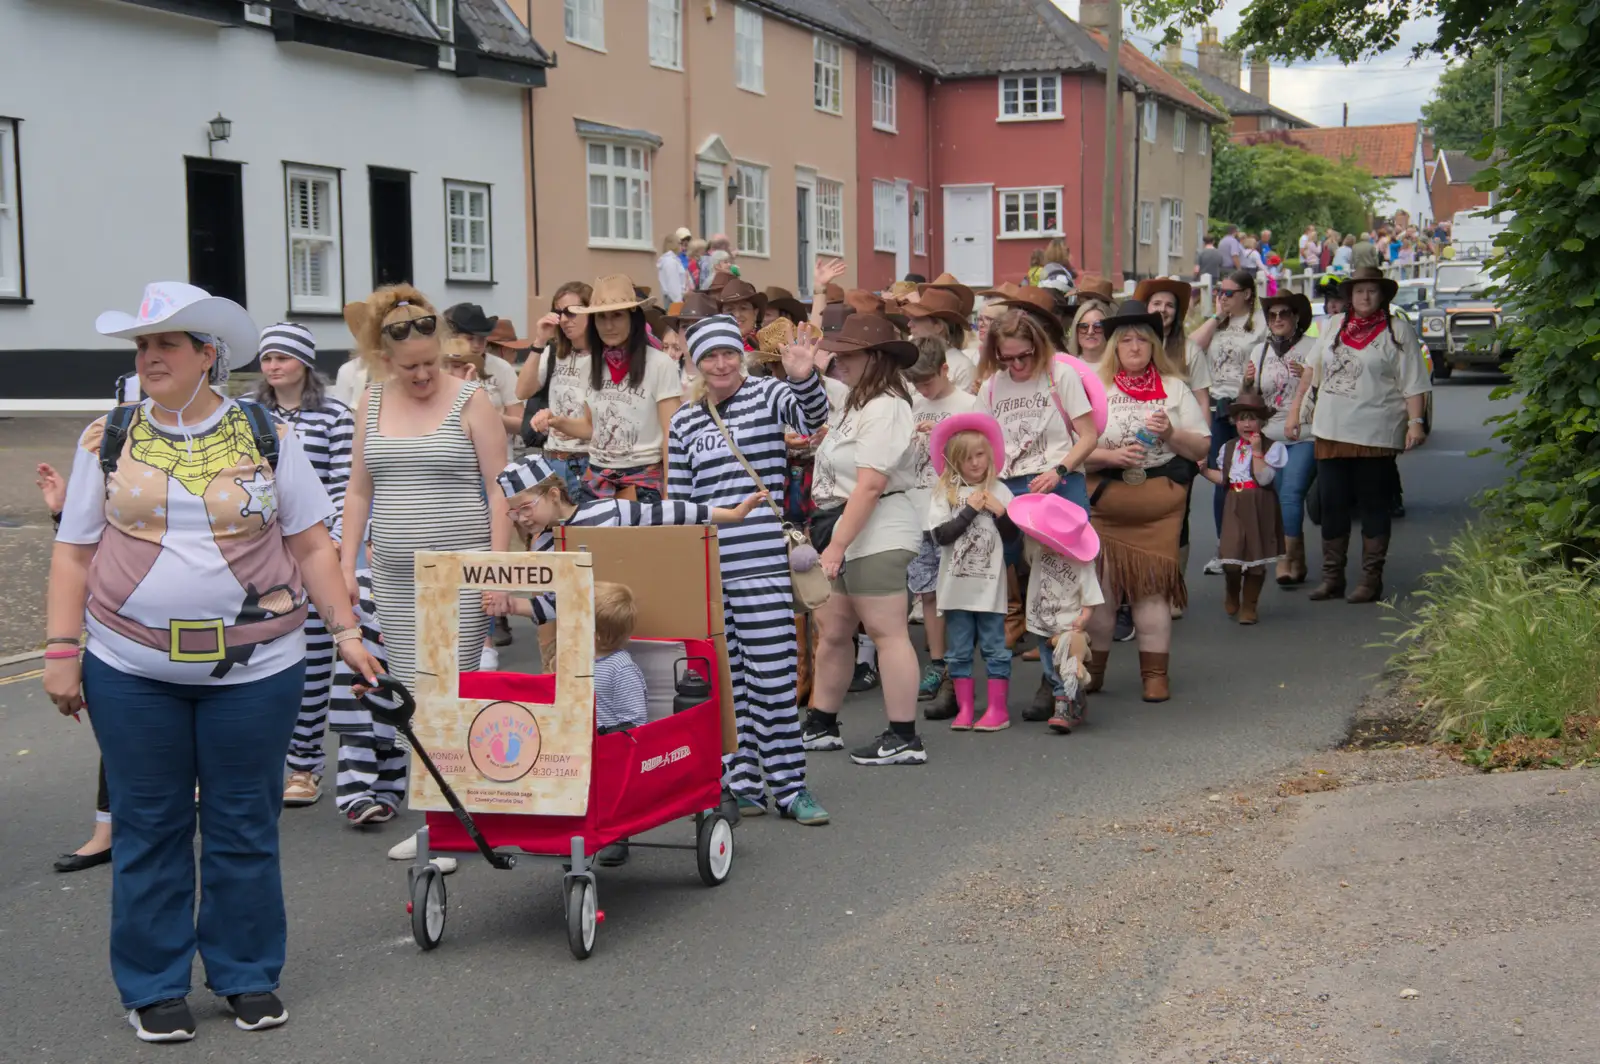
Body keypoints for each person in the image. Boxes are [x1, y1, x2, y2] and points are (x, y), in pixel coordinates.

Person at [45, 281, 378, 1041]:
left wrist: (348, 631)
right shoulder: (110, 434)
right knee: (149, 823)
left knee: (243, 823)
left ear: (207, 356)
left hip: (258, 671)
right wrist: (62, 651)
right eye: (142, 346)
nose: (150, 357)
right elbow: (73, 552)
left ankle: (246, 972)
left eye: (167, 344)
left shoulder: (268, 434)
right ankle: (154, 983)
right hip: (130, 668)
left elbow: (310, 545)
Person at [665, 314, 832, 823]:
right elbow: (679, 501)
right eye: (710, 355)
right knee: (724, 682)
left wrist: (803, 376)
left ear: (741, 354)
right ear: (695, 361)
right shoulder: (684, 421)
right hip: (712, 568)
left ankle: (790, 787)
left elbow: (809, 418)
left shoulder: (767, 394)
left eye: (729, 353)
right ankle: (738, 781)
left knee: (774, 679)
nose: (721, 364)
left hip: (762, 563)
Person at [340, 284, 511, 705]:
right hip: (395, 577)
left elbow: (501, 489)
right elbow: (359, 490)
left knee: (452, 694)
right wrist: (346, 565)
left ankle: (451, 772)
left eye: (430, 363)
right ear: (384, 361)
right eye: (409, 366)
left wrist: (499, 570)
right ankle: (417, 773)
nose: (422, 375)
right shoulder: (371, 400)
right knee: (411, 695)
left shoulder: (473, 400)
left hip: (462, 573)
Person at [798, 314, 924, 766]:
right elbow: (812, 383)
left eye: (848, 354)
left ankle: (904, 735)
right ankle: (822, 722)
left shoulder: (887, 406)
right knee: (833, 631)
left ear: (874, 358)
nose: (839, 360)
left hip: (878, 527)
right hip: (846, 524)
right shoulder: (857, 400)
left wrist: (834, 549)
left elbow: (871, 485)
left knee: (886, 633)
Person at [1082, 301, 1210, 702]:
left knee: (1152, 593)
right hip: (1105, 503)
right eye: (1126, 340)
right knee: (1100, 597)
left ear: (1154, 345)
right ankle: (1093, 674)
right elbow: (1071, 451)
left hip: (1158, 505)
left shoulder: (1174, 389)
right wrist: (1109, 457)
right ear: (1114, 347)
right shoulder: (1094, 388)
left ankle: (1155, 677)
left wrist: (1171, 432)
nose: (1134, 347)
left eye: (1142, 339)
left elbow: (1201, 446)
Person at [250, 322, 356, 808]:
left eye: (283, 358)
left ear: (304, 363)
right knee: (251, 662)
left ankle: (304, 765)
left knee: (313, 664)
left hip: (312, 554)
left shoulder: (335, 414)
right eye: (267, 357)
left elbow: (344, 486)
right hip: (259, 560)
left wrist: (333, 546)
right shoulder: (247, 416)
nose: (273, 366)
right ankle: (254, 763)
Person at [1287, 267, 1431, 603]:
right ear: (1349, 296)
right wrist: (1296, 411)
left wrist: (1416, 422)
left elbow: (1414, 382)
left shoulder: (1397, 331)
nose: (1365, 297)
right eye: (1359, 291)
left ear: (1382, 296)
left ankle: (1370, 580)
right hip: (1330, 428)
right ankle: (1332, 577)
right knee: (1331, 504)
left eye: (1372, 291)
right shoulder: (1334, 325)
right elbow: (1312, 371)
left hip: (1376, 432)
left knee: (1373, 505)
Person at [37, 462, 116, 873]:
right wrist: (62, 511)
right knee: (120, 736)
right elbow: (85, 546)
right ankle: (108, 832)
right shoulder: (114, 444)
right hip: (119, 630)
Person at [925, 412, 1017, 732]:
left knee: (995, 647)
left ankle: (997, 709)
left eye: (980, 455)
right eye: (967, 458)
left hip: (989, 590)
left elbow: (1013, 538)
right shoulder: (944, 494)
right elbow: (941, 536)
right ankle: (965, 709)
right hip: (955, 591)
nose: (975, 463)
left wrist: (1001, 513)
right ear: (954, 462)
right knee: (959, 650)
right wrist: (970, 510)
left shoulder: (1000, 490)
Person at [904, 337, 978, 719]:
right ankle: (937, 662)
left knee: (959, 587)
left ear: (946, 370)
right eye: (916, 384)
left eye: (928, 382)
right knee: (927, 591)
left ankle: (960, 662)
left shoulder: (967, 404)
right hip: (918, 510)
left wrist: (947, 439)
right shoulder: (911, 405)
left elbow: (984, 456)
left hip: (955, 509)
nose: (922, 390)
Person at [572, 275, 683, 503]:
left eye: (617, 315)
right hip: (596, 479)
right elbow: (590, 427)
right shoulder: (587, 367)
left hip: (644, 481)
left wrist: (671, 493)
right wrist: (554, 421)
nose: (609, 325)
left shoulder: (660, 364)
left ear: (634, 319)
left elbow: (670, 434)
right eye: (601, 317)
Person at [1187, 270, 1266, 574]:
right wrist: (1216, 316)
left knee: (1249, 480)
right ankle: (1225, 547)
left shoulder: (1260, 323)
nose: (1222, 297)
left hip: (1246, 406)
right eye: (1219, 292)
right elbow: (1190, 350)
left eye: (1229, 293)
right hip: (1220, 408)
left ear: (1247, 293)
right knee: (1224, 479)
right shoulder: (1217, 322)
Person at [1009, 493, 1103, 732]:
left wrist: (1083, 618)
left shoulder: (1082, 564)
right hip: (1042, 623)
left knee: (1066, 666)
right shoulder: (1039, 553)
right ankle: (1074, 698)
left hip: (1068, 626)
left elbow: (1091, 597)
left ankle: (1065, 705)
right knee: (1050, 668)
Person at [1200, 386, 1287, 624]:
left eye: (1253, 419)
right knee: (1230, 559)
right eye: (1242, 420)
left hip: (1260, 504)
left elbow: (1264, 479)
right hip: (1234, 503)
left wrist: (1257, 452)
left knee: (1256, 562)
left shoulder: (1273, 448)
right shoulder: (1228, 447)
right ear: (1234, 422)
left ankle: (1249, 605)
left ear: (1262, 422)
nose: (1247, 425)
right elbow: (1223, 479)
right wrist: (1205, 471)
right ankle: (1231, 589)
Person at [1248, 292, 1317, 584]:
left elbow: (1332, 388)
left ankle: (1286, 559)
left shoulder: (1313, 348)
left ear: (1297, 317)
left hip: (1305, 432)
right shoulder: (1258, 352)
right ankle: (1297, 560)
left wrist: (1310, 378)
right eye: (1272, 315)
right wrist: (1247, 381)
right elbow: (1251, 397)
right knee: (1276, 499)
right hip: (1269, 435)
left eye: (1284, 314)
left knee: (1291, 494)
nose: (1277, 320)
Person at [444, 303, 524, 451]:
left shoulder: (501, 368)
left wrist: (490, 417)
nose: (476, 345)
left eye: (482, 339)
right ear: (452, 337)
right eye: (469, 338)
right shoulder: (439, 367)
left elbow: (521, 424)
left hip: (496, 453)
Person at [902, 286, 977, 392]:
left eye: (917, 319)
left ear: (938, 326)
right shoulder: (910, 358)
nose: (909, 324)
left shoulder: (962, 367)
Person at [657, 228, 693, 308]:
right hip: (675, 302)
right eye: (679, 243)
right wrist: (679, 303)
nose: (681, 246)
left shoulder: (673, 260)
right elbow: (673, 286)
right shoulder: (670, 262)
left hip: (676, 299)